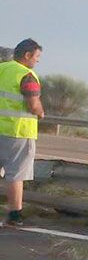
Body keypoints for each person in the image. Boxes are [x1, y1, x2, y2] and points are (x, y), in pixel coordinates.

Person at [0, 39, 44, 227]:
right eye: (37, 57)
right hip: (18, 131)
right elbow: (33, 104)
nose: (37, 61)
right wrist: (41, 112)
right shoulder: (27, 75)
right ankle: (15, 214)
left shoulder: (2, 68)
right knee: (16, 174)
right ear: (27, 55)